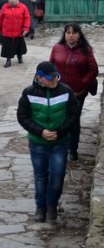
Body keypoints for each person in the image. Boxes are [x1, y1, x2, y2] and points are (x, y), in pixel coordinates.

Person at [17, 61, 79, 223]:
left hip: (60, 142)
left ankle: (52, 205)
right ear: (39, 78)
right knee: (40, 176)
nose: (54, 81)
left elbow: (74, 115)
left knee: (57, 175)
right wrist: (41, 132)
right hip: (38, 143)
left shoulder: (66, 91)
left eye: (55, 76)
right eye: (49, 78)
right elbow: (22, 117)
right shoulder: (29, 93)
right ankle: (40, 207)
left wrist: (59, 132)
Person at [49, 23, 99, 161]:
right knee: (58, 119)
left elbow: (93, 70)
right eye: (68, 32)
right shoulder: (57, 48)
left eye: (74, 32)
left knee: (73, 121)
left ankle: (72, 149)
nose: (70, 35)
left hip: (77, 93)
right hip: (58, 91)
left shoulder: (86, 50)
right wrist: (52, 82)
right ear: (64, 34)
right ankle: (58, 147)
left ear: (79, 35)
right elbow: (51, 66)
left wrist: (82, 83)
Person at [0, 0, 31, 68]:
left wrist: (26, 28)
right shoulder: (4, 7)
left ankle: (19, 56)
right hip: (7, 31)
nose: (11, 0)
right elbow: (0, 18)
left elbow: (27, 18)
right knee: (7, 47)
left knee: (19, 46)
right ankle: (8, 60)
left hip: (19, 31)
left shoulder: (23, 7)